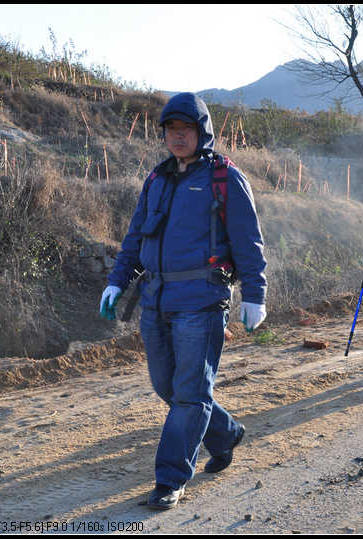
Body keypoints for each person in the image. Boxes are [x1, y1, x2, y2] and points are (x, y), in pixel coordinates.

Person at [100, 92, 267, 510]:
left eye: (186, 129)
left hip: (202, 299)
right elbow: (136, 237)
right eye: (171, 130)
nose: (178, 136)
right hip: (155, 298)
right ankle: (225, 433)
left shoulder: (225, 177)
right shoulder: (156, 179)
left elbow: (248, 241)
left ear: (201, 132)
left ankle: (170, 478)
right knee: (167, 386)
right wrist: (117, 282)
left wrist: (255, 295)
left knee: (190, 393)